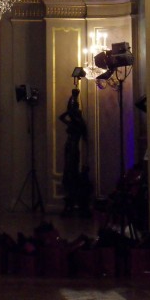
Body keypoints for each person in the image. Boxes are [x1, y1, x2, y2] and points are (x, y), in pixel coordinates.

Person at [59, 88, 90, 216]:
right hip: (69, 147)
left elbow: (85, 138)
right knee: (68, 171)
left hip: (73, 149)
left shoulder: (79, 123)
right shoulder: (73, 122)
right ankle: (70, 199)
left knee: (72, 171)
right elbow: (61, 117)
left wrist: (72, 107)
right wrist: (71, 104)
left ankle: (73, 199)